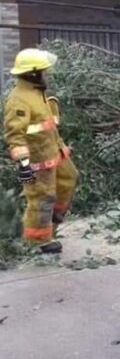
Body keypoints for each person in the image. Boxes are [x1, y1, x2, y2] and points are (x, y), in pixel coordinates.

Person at [3, 49, 78, 253]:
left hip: (55, 153)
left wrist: (61, 146)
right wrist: (24, 165)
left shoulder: (37, 92)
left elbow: (46, 126)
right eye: (44, 71)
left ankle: (52, 222)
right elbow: (15, 135)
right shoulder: (19, 99)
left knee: (70, 178)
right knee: (41, 198)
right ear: (33, 73)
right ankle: (38, 241)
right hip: (37, 161)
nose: (47, 74)